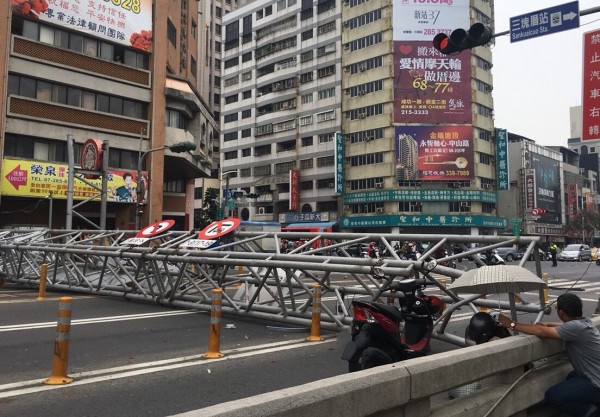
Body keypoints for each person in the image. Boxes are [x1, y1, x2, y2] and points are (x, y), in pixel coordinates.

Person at [498, 293, 600, 417]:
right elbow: (565, 326)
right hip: (595, 377)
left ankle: (591, 412)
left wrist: (512, 324)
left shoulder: (574, 328)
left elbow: (540, 332)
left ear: (561, 313)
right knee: (572, 376)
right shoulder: (585, 322)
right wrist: (549, 324)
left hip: (596, 384)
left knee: (554, 396)